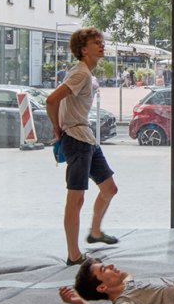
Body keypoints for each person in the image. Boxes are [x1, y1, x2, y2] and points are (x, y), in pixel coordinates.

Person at [44, 28, 120, 265]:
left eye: (101, 41)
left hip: (86, 137)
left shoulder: (84, 73)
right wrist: (57, 128)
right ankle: (74, 255)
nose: (101, 45)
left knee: (109, 189)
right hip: (77, 138)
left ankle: (95, 233)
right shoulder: (81, 74)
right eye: (95, 42)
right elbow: (51, 99)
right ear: (83, 49)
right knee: (76, 199)